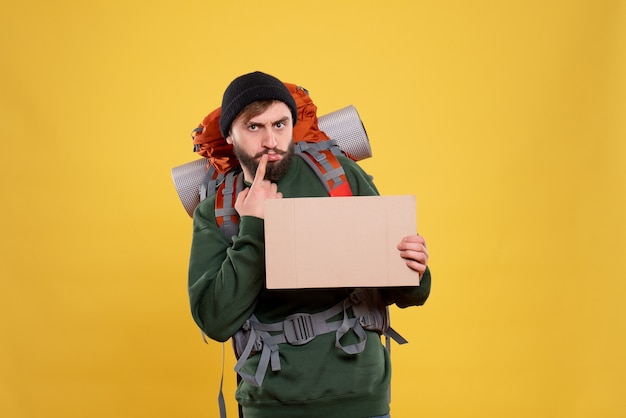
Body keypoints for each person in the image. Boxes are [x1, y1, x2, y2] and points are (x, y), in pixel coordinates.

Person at [188, 71, 431, 418]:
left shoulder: (340, 176)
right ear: (230, 134)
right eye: (254, 127)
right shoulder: (216, 211)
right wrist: (255, 225)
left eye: (280, 124)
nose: (271, 140)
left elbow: (411, 295)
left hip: (361, 397)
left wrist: (416, 269)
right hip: (270, 403)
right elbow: (215, 321)